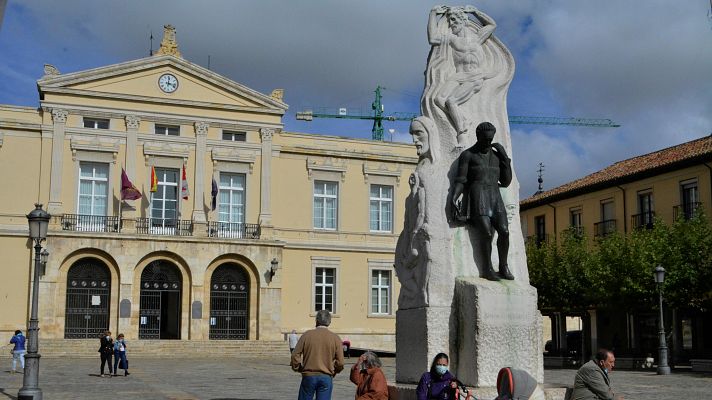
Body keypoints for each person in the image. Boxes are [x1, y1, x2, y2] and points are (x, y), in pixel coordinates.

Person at [452, 122, 513, 281]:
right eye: (485, 139)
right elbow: (461, 180)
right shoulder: (468, 155)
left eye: (490, 139)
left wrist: (505, 159)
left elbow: (506, 182)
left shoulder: (496, 156)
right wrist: (454, 197)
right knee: (486, 233)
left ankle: (503, 266)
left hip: (494, 196)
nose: (488, 142)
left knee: (505, 231)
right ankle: (487, 269)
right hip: (478, 195)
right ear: (478, 137)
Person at [428, 5, 498, 136]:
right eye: (450, 20)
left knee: (451, 101)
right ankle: (462, 118)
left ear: (463, 20)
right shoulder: (452, 39)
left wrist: (475, 12)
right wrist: (433, 14)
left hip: (474, 76)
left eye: (454, 20)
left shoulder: (477, 38)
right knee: (438, 99)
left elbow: (492, 25)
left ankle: (461, 132)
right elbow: (432, 38)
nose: (451, 23)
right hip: (458, 76)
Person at [290, 310, 345, 400]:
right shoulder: (335, 338)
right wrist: (335, 371)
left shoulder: (307, 335)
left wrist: (298, 367)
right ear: (329, 322)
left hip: (309, 375)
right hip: (326, 376)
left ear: (316, 320)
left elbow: (295, 355)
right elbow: (341, 362)